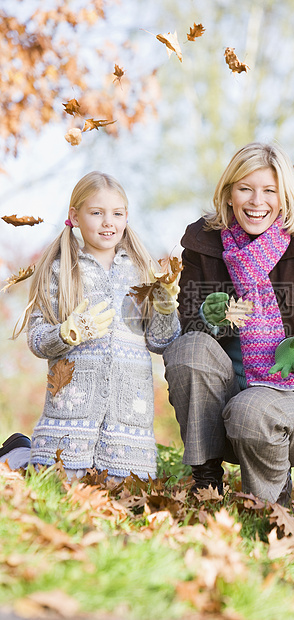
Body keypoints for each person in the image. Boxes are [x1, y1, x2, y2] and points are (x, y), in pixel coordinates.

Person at [163, 142, 294, 505]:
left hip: (293, 404)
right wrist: (210, 318)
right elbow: (187, 321)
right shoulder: (202, 241)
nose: (256, 201)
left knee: (253, 409)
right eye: (245, 188)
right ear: (229, 193)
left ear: (284, 196)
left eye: (269, 190)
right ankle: (206, 480)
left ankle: (271, 505)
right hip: (218, 407)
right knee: (188, 349)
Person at [0, 171, 180, 482]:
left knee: (125, 495)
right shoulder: (60, 271)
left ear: (126, 217)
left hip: (127, 433)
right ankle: (19, 454)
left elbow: (162, 341)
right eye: (96, 213)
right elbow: (38, 340)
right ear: (75, 216)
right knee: (57, 482)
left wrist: (165, 308)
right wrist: (66, 333)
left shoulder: (143, 274)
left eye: (117, 213)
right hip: (68, 427)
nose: (108, 222)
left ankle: (24, 454)